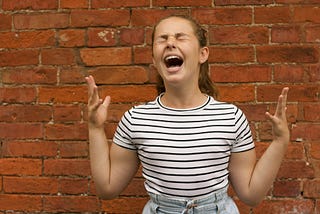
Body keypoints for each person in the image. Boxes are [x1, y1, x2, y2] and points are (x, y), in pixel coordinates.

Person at [85, 15, 290, 214]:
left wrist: (280, 141)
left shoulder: (231, 118)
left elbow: (251, 195)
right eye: (162, 39)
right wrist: (95, 128)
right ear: (154, 60)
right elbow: (107, 189)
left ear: (203, 54)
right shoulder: (135, 120)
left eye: (180, 36)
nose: (170, 43)